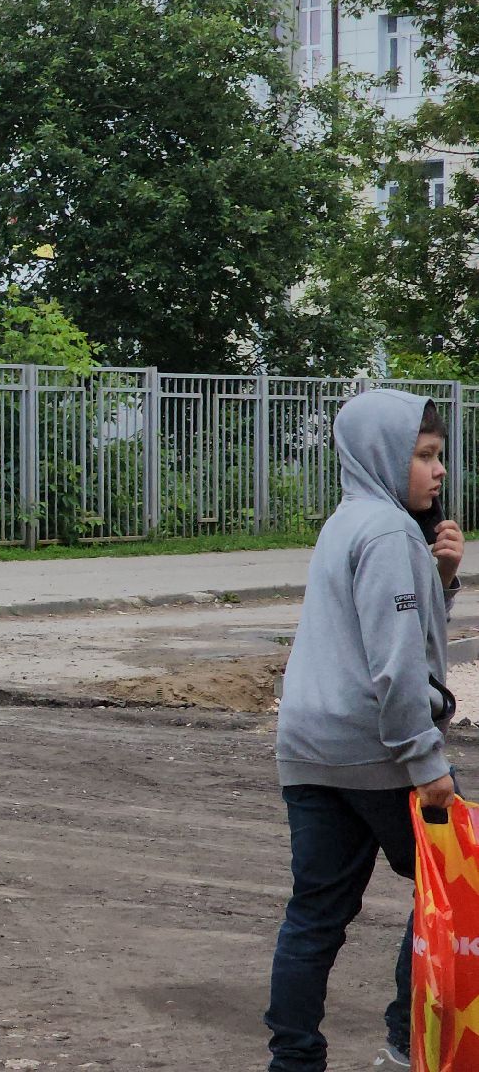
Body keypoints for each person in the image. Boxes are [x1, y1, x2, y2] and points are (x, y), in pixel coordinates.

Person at [267, 390, 466, 1071]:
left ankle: (293, 1061)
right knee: (457, 888)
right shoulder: (386, 532)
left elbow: (387, 626)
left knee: (315, 915)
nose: (438, 471)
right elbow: (395, 661)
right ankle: (407, 1042)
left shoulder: (347, 522)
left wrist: (439, 577)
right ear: (382, 455)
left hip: (309, 752)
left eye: (439, 457)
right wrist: (425, 760)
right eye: (424, 456)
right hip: (379, 751)